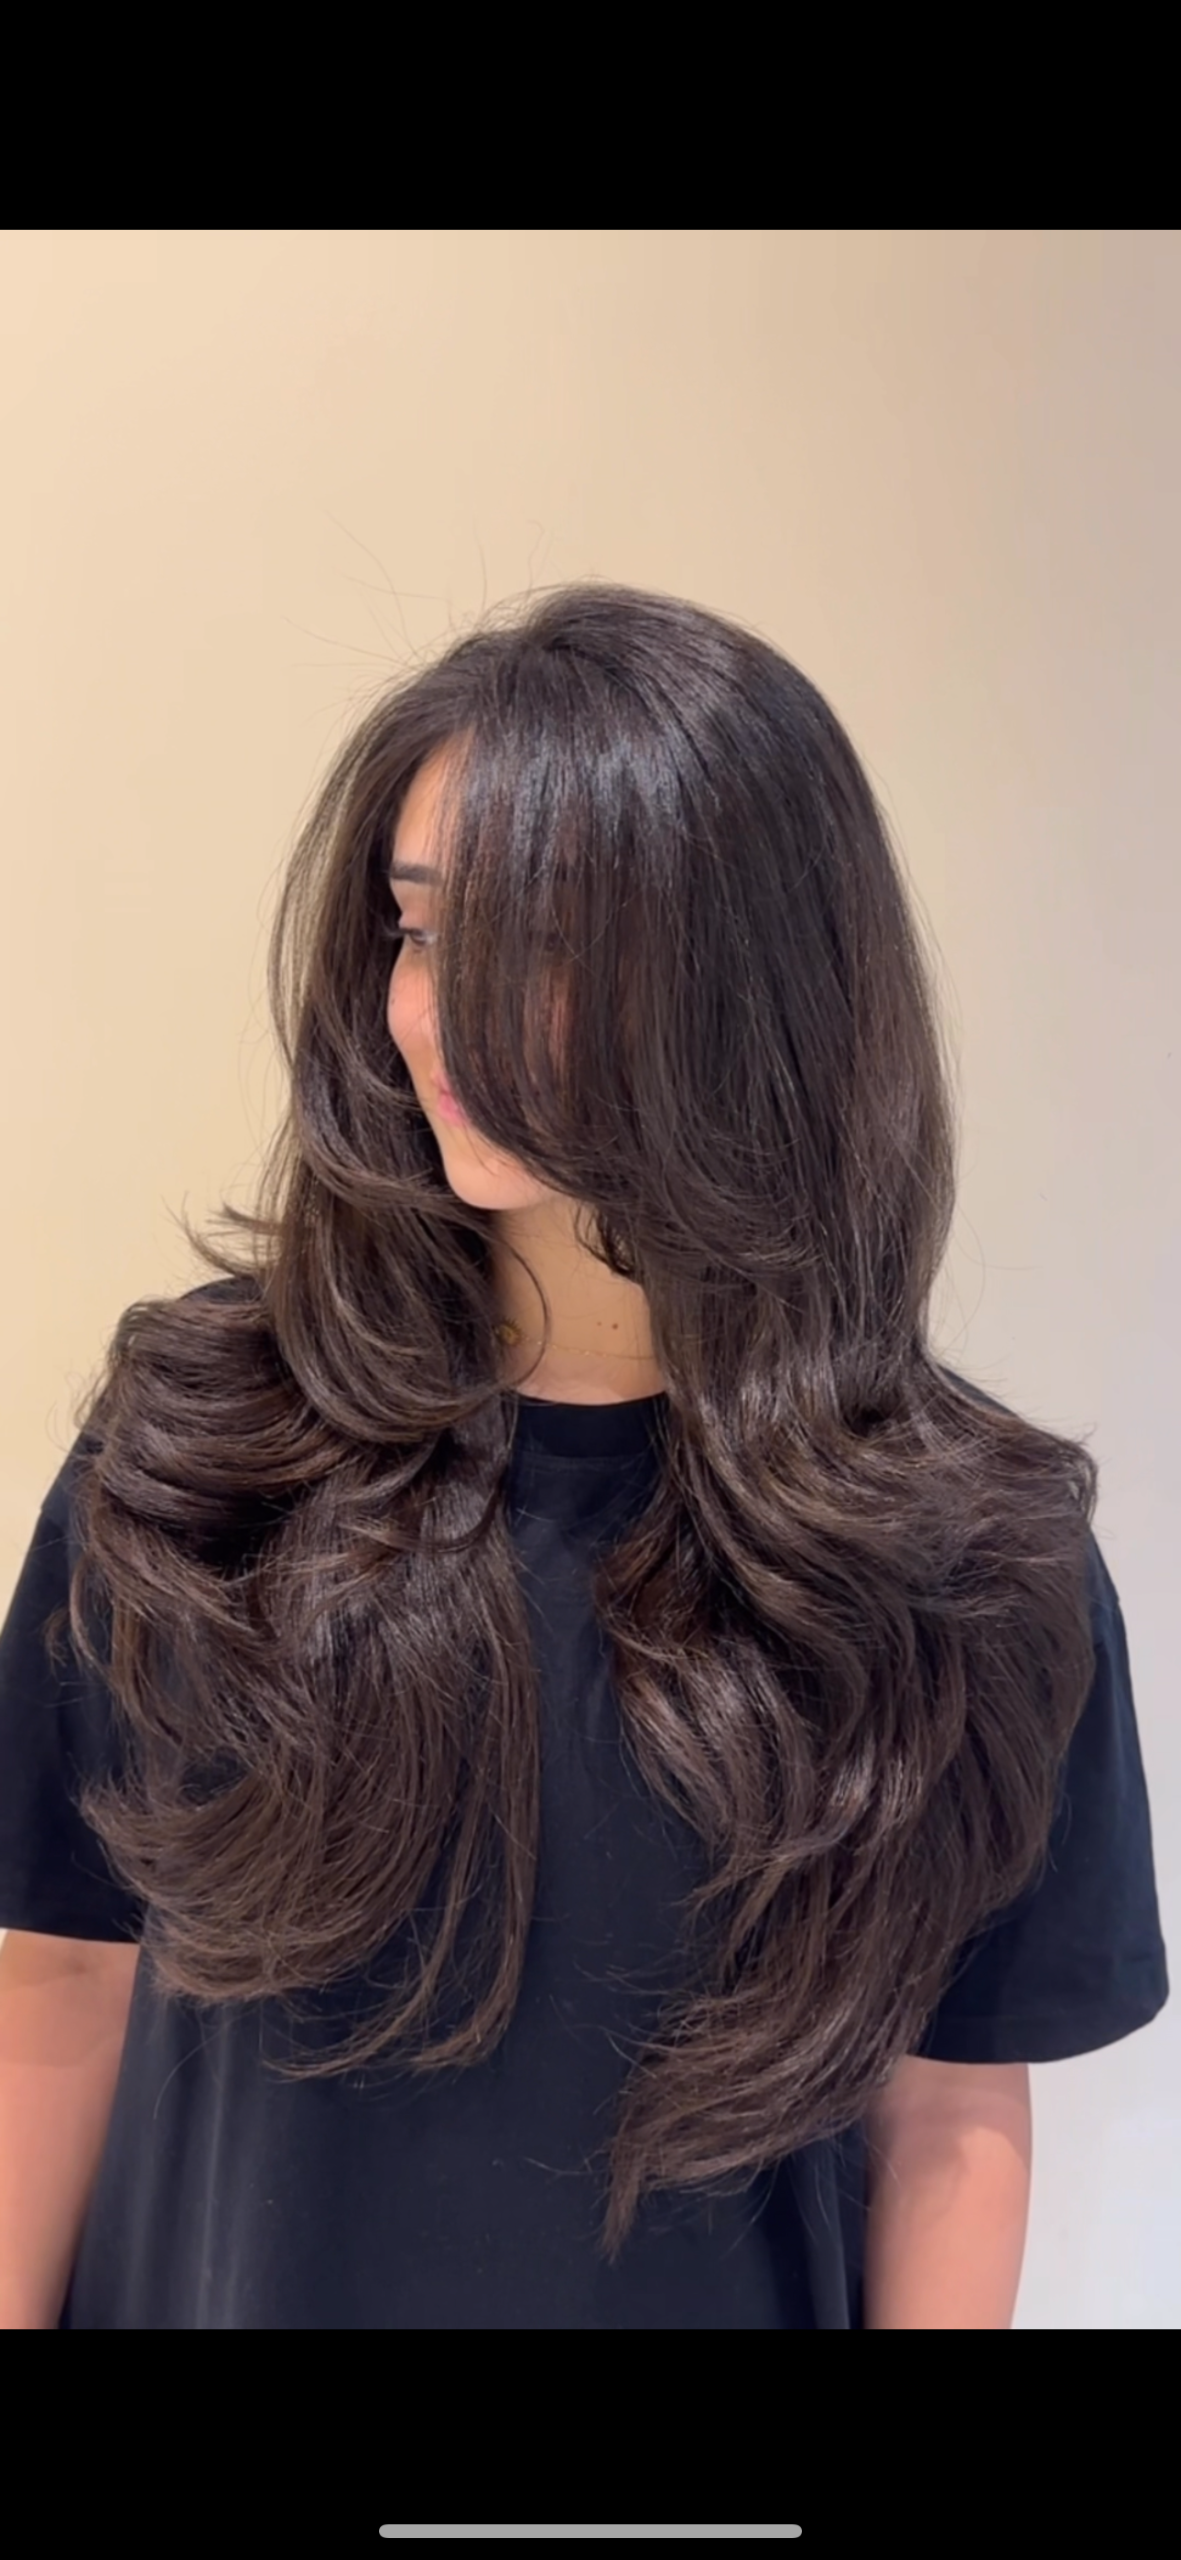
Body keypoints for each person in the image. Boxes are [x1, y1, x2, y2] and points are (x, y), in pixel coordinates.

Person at [0, 582, 1168, 2332]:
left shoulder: (961, 1566)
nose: (436, 1012)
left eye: (541, 944)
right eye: (418, 929)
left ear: (751, 981)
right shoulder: (198, 1454)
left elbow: (946, 2113)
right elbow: (63, 1977)